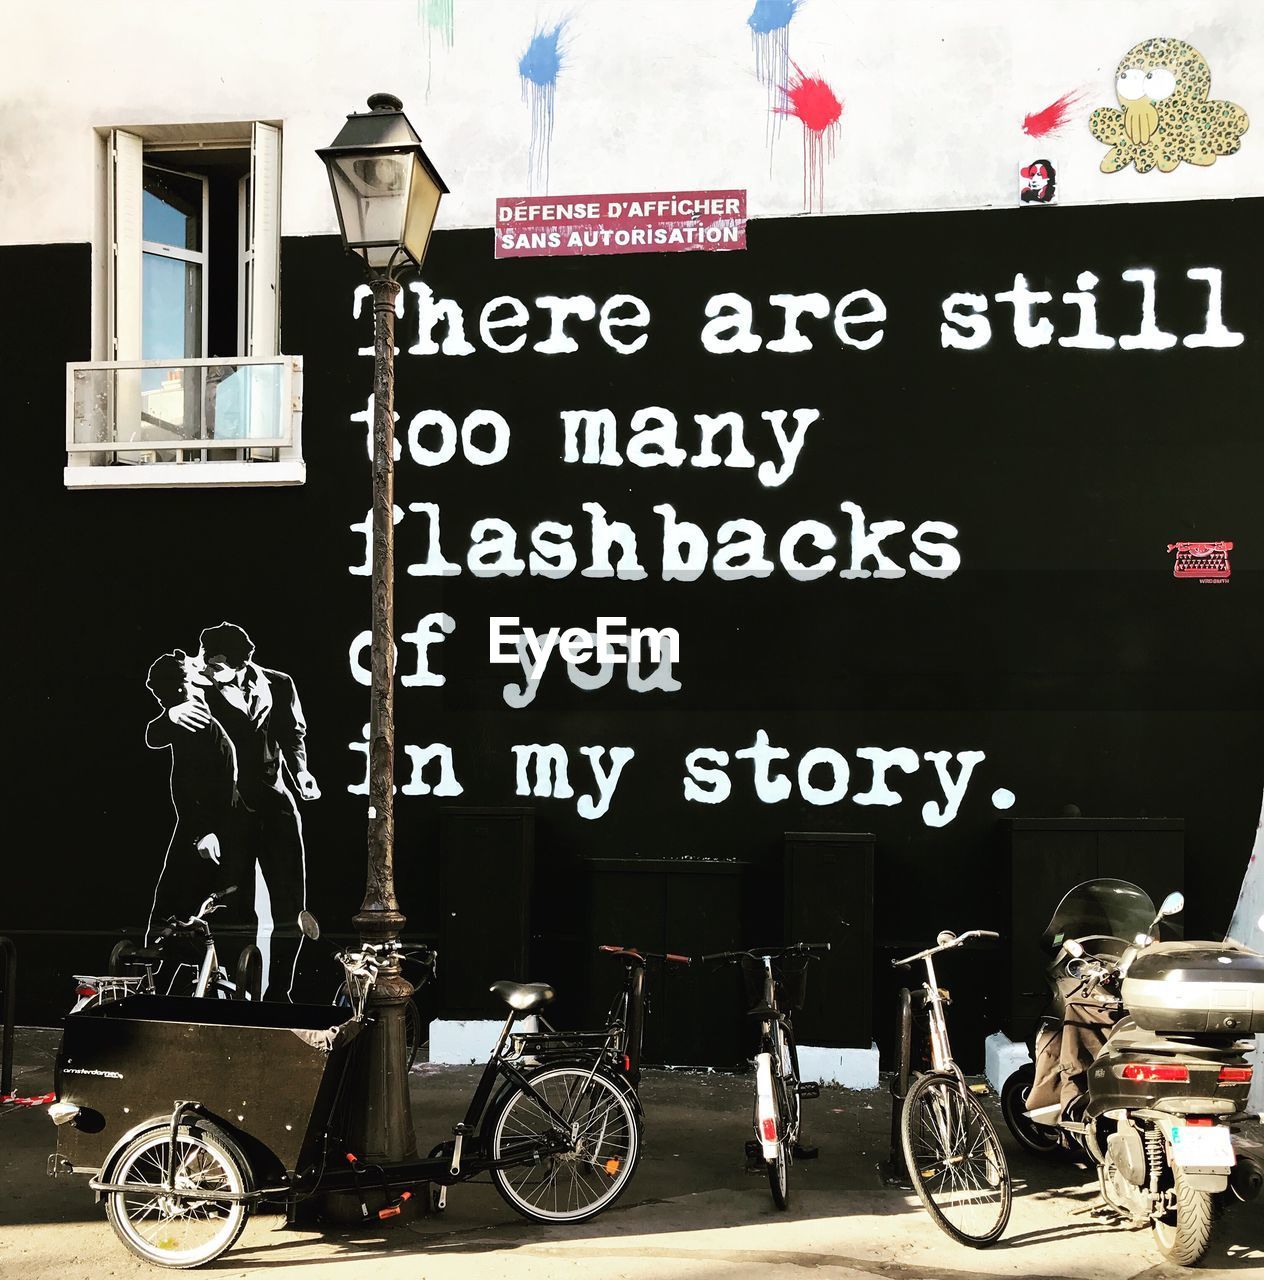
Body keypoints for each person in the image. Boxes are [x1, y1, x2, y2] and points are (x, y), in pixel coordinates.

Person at [168, 622, 320, 1000]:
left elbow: (292, 733)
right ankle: (239, 994)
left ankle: (280, 995)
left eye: (217, 666)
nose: (208, 672)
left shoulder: (279, 684)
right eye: (206, 663)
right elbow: (190, 768)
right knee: (234, 906)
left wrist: (301, 773)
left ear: (241, 662)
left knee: (291, 906)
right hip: (229, 809)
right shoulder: (196, 695)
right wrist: (203, 828)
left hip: (276, 802)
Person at [143, 651, 242, 945]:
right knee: (177, 909)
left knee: (184, 908)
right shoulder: (191, 718)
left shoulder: (202, 711)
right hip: (203, 829)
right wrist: (206, 831)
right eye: (190, 672)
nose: (199, 671)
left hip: (210, 828)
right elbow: (195, 783)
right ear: (182, 686)